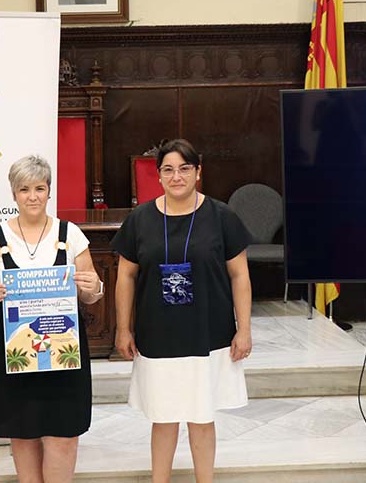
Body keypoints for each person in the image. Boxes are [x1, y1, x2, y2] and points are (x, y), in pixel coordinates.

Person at [112, 139, 253, 483]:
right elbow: (126, 276)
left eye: (184, 168)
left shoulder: (221, 216)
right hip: (158, 332)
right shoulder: (141, 219)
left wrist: (244, 328)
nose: (177, 177)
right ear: (158, 175)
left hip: (208, 331)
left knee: (202, 417)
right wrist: (123, 328)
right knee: (163, 417)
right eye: (168, 170)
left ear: (198, 172)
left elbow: (240, 275)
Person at [0, 154, 103, 483]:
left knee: (64, 435)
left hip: (62, 350)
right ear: (13, 193)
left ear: (49, 191)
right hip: (13, 350)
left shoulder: (70, 234)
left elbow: (94, 289)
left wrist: (92, 287)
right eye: (24, 189)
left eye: (39, 188)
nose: (33, 196)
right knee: (22, 433)